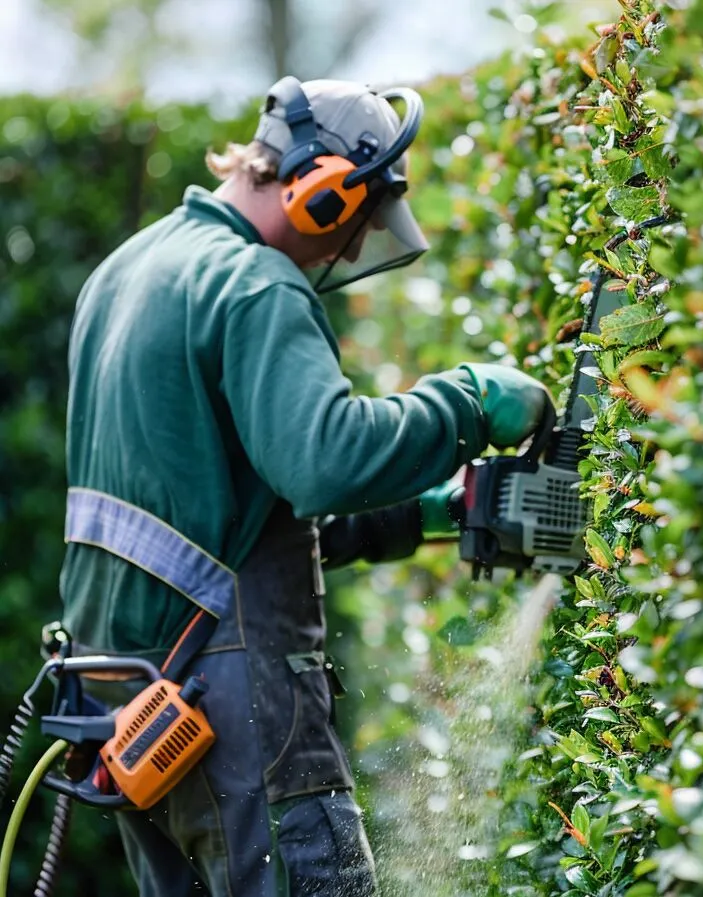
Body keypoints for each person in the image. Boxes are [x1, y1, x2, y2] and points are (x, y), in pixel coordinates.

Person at [58, 75, 554, 897]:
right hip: (231, 704)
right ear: (321, 192)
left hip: (127, 700)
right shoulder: (253, 282)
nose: (353, 248)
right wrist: (463, 403)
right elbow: (325, 460)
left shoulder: (126, 271)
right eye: (354, 221)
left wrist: (425, 510)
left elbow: (219, 505)